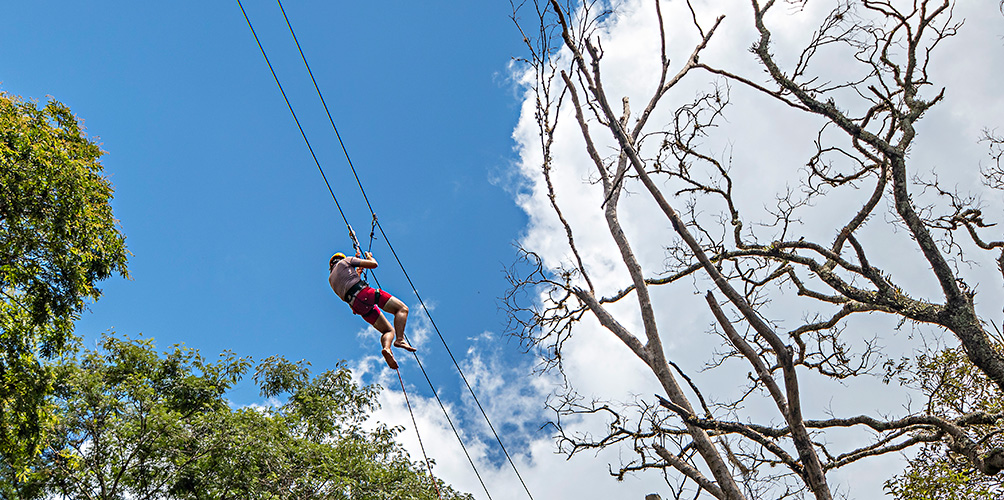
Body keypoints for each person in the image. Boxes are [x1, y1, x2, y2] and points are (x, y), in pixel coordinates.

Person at [329, 251, 416, 369]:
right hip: (365, 294)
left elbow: (349, 284)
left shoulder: (331, 280)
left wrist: (358, 273)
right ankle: (400, 339)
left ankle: (387, 348)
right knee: (402, 309)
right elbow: (374, 264)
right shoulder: (346, 261)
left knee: (387, 331)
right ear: (340, 259)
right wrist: (369, 257)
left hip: (357, 307)